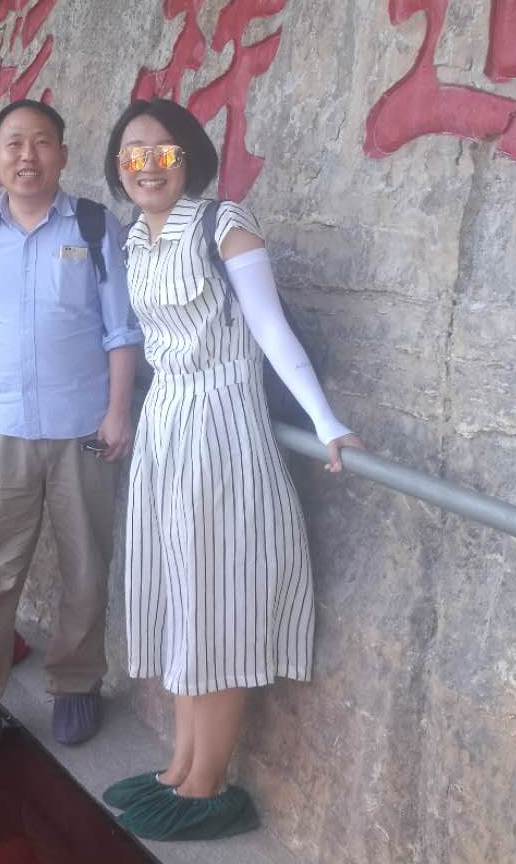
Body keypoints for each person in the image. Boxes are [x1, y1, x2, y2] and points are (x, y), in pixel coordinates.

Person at [98, 99, 365, 842]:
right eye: (132, 154)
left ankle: (208, 782)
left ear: (189, 156)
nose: (147, 165)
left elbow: (270, 327)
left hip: (222, 429)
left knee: (216, 601)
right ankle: (179, 765)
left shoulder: (223, 224)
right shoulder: (135, 237)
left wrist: (325, 421)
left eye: (163, 151)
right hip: (166, 427)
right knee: (182, 595)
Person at [0, 99, 142, 770]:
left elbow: (121, 328)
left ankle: (75, 683)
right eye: (14, 143)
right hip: (3, 430)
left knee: (86, 565)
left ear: (63, 155)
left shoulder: (94, 226)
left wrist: (119, 410)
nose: (27, 155)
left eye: (42, 142)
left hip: (84, 428)